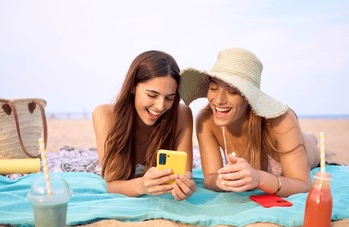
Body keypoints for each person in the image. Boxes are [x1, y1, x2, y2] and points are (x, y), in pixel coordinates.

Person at [179, 47, 320, 197]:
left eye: (232, 91)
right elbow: (210, 178)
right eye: (213, 88)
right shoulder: (206, 120)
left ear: (249, 97)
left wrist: (259, 178)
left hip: (308, 150)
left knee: (311, 142)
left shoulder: (281, 120)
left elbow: (303, 184)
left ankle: (312, 138)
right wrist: (223, 181)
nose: (219, 100)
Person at [93, 50, 196, 200]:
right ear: (133, 86)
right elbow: (111, 183)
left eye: (169, 98)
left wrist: (185, 186)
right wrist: (141, 186)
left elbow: (185, 175)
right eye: (152, 95)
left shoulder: (181, 114)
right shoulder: (105, 115)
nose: (160, 106)